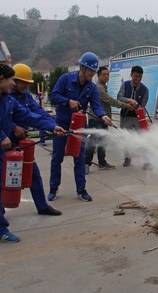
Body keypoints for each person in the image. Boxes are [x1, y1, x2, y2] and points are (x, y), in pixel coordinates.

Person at [0, 64, 66, 254]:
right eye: (11, 80)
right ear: (1, 78)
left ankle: (0, 230)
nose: (13, 84)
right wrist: (1, 136)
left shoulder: (8, 100)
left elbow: (28, 114)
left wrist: (52, 126)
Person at [48, 52, 112, 203]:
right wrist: (67, 101)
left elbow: (96, 106)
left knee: (79, 158)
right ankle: (53, 188)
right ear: (82, 67)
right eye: (90, 70)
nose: (92, 74)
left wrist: (103, 116)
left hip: (79, 126)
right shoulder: (65, 79)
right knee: (57, 157)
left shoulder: (92, 88)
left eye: (93, 71)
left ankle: (81, 190)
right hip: (62, 124)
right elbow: (54, 96)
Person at [10, 63, 62, 216]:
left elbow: (38, 112)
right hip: (6, 141)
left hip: (22, 142)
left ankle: (42, 206)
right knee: (5, 175)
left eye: (27, 83)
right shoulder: (6, 96)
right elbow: (1, 118)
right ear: (14, 80)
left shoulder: (25, 96)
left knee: (33, 173)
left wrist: (53, 126)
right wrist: (14, 127)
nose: (26, 86)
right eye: (23, 82)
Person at [85, 66, 133, 174]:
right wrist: (125, 105)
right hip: (96, 119)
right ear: (98, 75)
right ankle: (86, 164)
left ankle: (102, 162)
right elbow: (110, 100)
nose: (106, 76)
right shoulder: (98, 88)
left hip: (103, 119)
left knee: (103, 142)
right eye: (104, 74)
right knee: (93, 142)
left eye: (108, 74)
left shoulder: (102, 86)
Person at [117, 65, 150, 169]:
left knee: (143, 138)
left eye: (140, 77)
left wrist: (137, 108)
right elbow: (119, 97)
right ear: (131, 75)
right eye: (135, 76)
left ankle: (146, 161)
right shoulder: (125, 85)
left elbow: (143, 105)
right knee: (125, 138)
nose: (137, 79)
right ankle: (127, 158)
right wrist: (128, 101)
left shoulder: (145, 90)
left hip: (138, 118)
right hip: (126, 117)